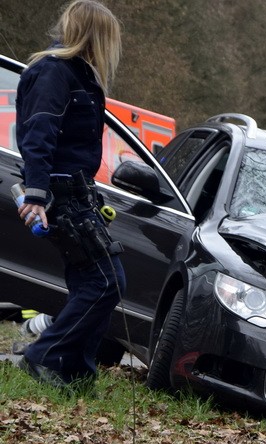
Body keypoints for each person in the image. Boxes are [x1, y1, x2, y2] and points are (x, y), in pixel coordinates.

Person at [14, 0, 125, 393]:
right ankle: (45, 356)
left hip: (77, 191)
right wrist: (37, 195)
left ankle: (76, 375)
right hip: (61, 193)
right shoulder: (53, 73)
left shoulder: (79, 76)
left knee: (91, 284)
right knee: (105, 283)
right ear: (96, 36)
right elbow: (38, 135)